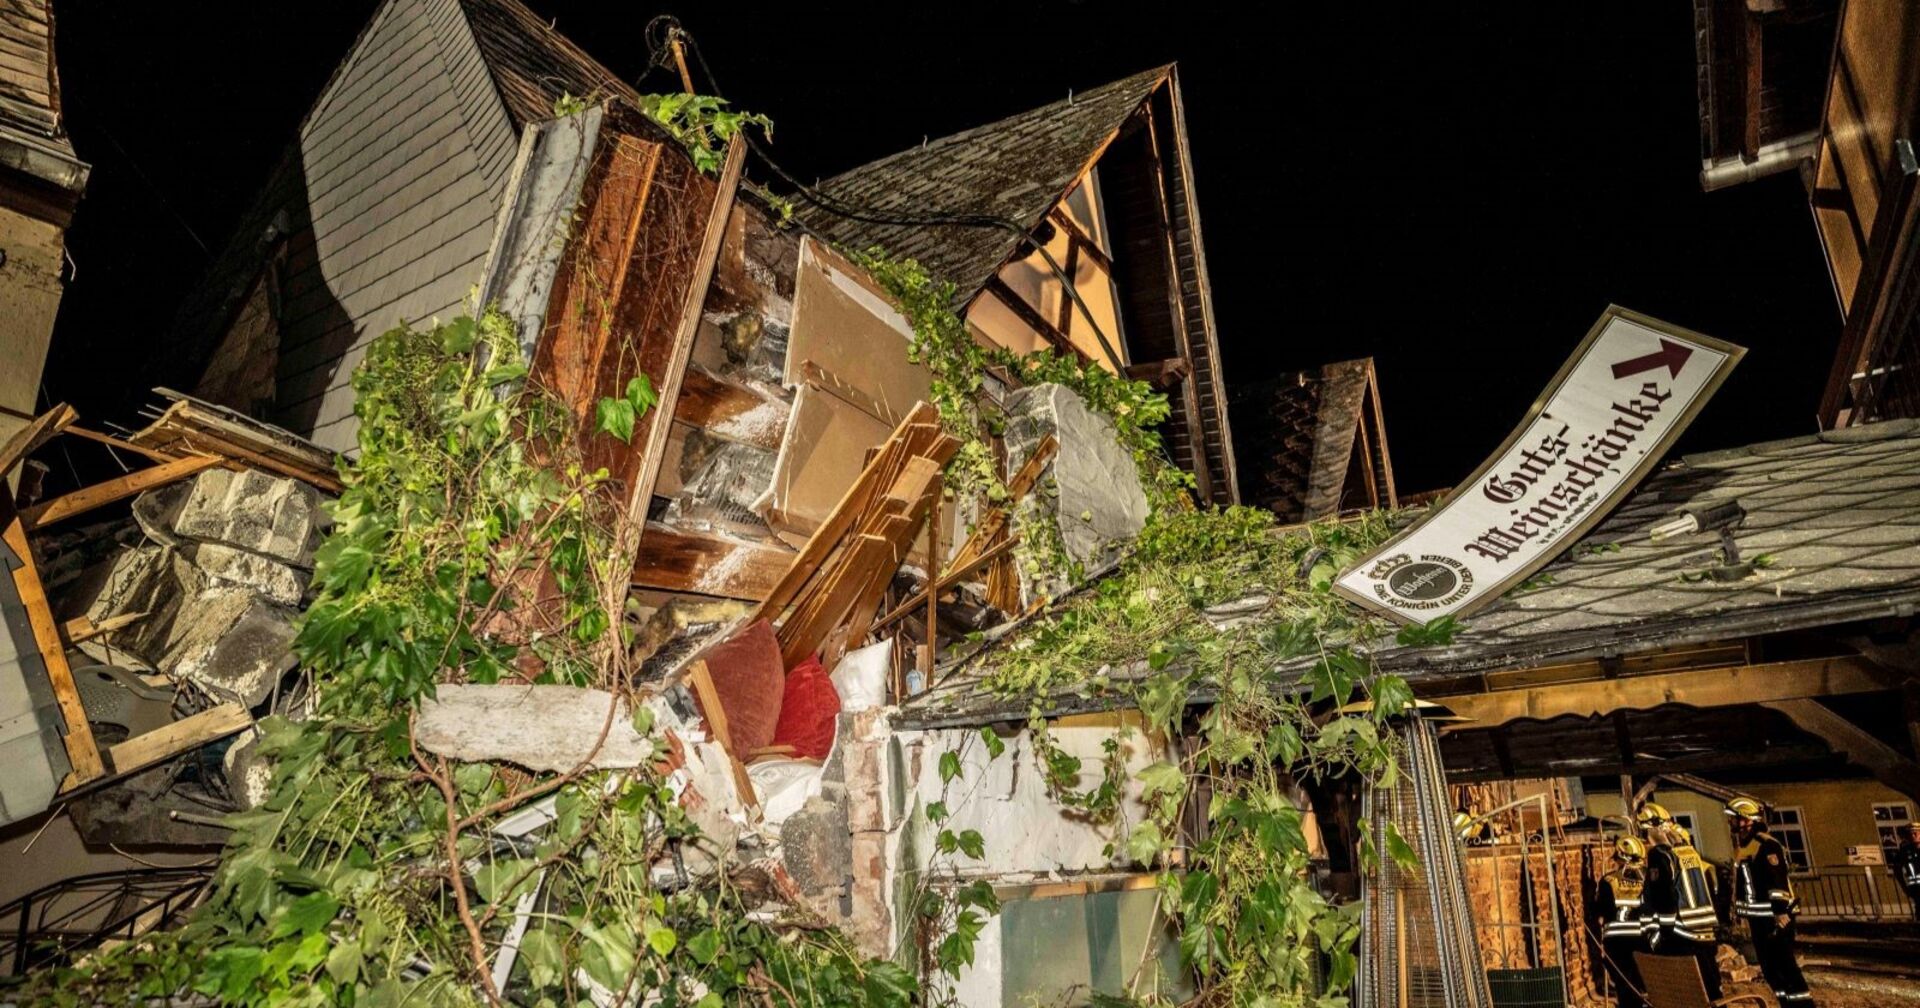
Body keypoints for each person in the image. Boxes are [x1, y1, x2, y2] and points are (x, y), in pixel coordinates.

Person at [1726, 796, 1815, 1006]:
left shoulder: (1765, 845)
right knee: (1771, 970)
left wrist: (1780, 912)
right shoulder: (1744, 847)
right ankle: (1786, 1004)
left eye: (1733, 818)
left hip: (1775, 918)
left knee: (1786, 967)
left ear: (1746, 820)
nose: (1730, 823)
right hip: (1759, 919)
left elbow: (1776, 882)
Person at [1638, 802, 1722, 999]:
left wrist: (1660, 936)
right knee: (1712, 993)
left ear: (1652, 829)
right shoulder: (1689, 854)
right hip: (1704, 933)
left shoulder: (1659, 856)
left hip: (1679, 936)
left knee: (1684, 994)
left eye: (1644, 832)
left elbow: (1664, 896)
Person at [1593, 835, 1651, 1008]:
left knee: (1625, 986)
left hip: (1616, 942)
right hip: (1644, 939)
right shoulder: (1650, 878)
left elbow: (1601, 911)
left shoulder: (1608, 881)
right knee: (1645, 984)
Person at [1896, 822, 1920, 922]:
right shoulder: (1905, 851)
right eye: (1911, 834)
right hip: (1916, 888)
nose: (1913, 836)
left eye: (1916, 833)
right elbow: (1898, 869)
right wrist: (1904, 887)